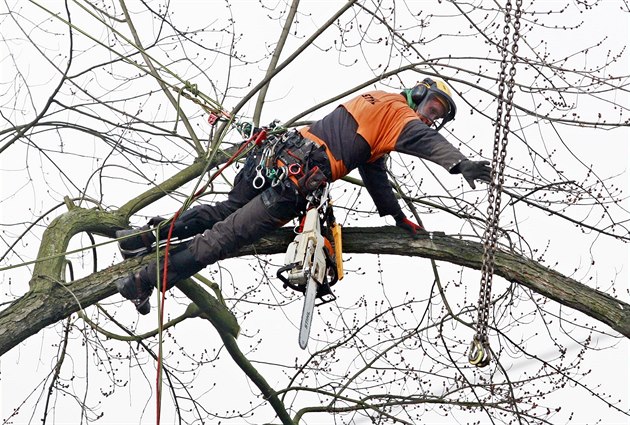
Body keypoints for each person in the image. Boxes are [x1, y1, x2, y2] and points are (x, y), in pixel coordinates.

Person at [114, 77, 491, 314]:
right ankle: (142, 281)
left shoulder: (378, 102)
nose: (430, 118)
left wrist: (394, 215)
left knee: (224, 211)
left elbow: (374, 168)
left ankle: (140, 239)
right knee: (221, 239)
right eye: (431, 108)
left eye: (437, 115)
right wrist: (459, 164)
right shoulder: (399, 114)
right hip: (293, 181)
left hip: (274, 160)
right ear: (418, 95)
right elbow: (423, 139)